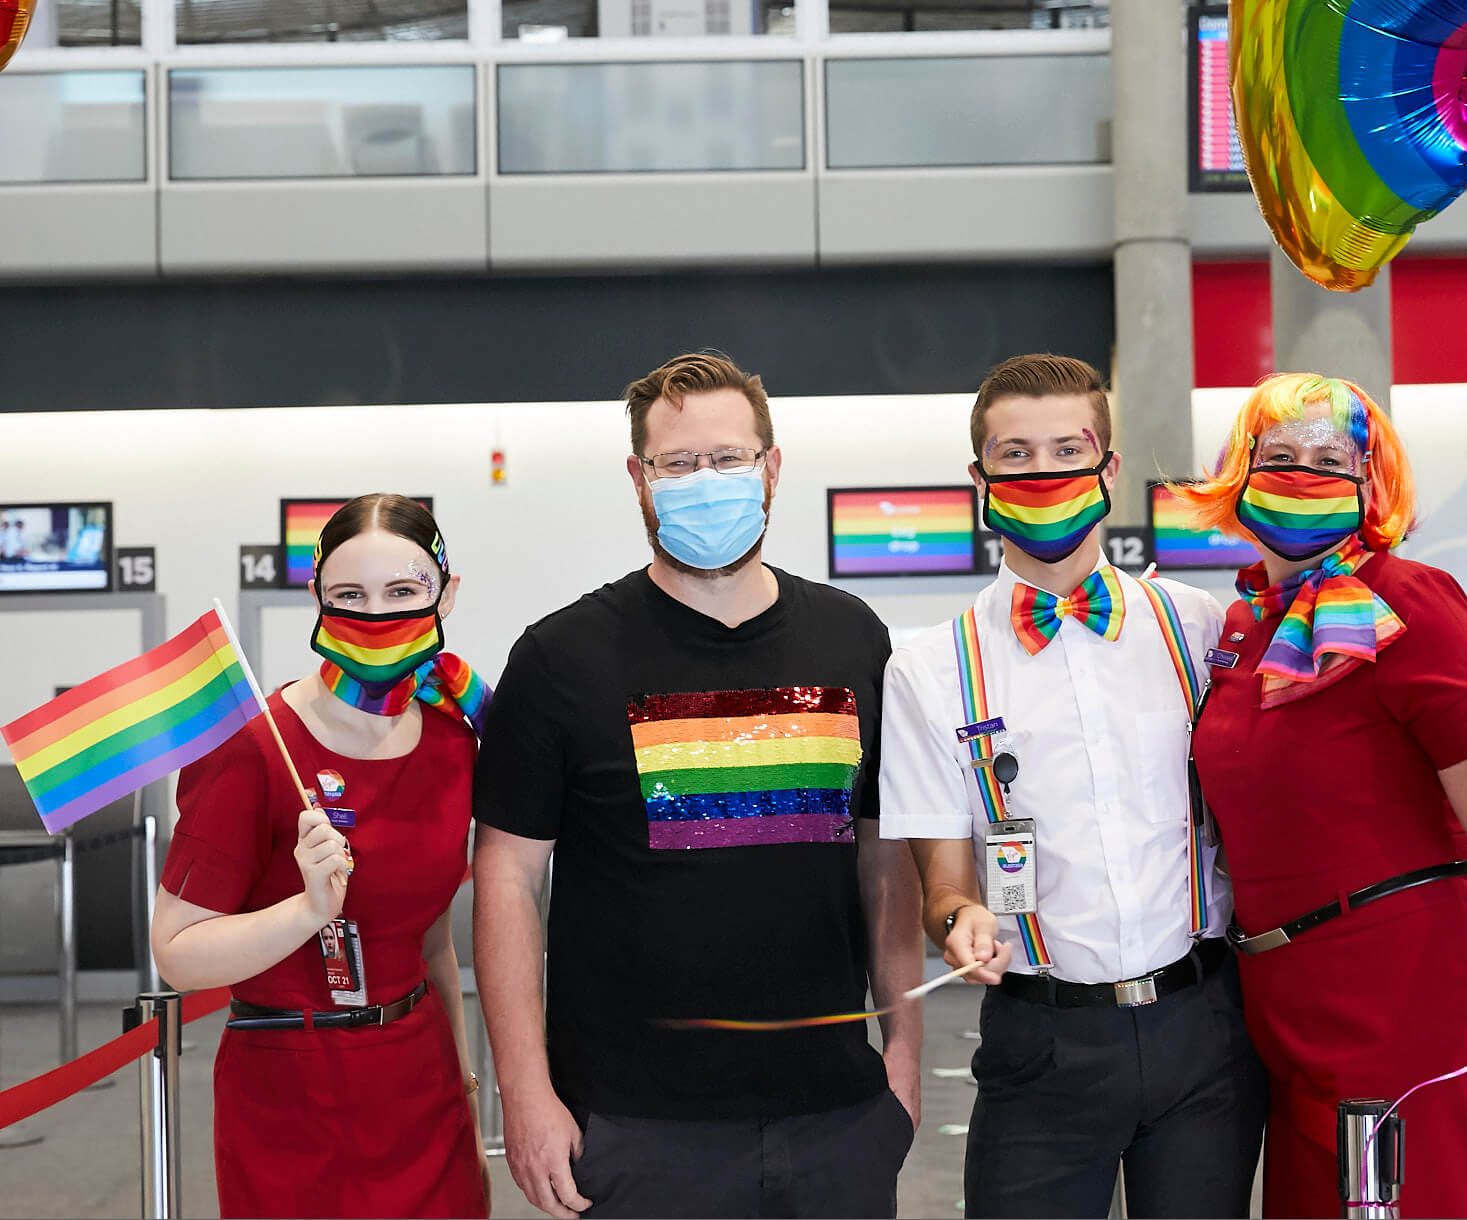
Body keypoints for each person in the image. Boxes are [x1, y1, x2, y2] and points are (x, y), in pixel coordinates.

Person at [471, 351, 922, 1220]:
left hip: (835, 1116)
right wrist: (524, 1093)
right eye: (677, 463)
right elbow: (507, 877)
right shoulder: (560, 658)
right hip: (635, 1127)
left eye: (727, 458)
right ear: (639, 479)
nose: (704, 481)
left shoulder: (852, 638)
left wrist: (903, 1050)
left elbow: (881, 857)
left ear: (772, 468)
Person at [1182, 373, 1467, 1218]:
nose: (1301, 473)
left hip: (1419, 996)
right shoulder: (1240, 626)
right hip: (1284, 1004)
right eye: (1278, 455)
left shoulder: (1410, 598)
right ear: (1239, 472)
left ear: (1370, 482)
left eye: (1329, 460)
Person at [878, 352, 1265, 1219]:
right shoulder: (930, 669)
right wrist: (961, 920)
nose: (1043, 473)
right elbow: (943, 886)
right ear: (980, 479)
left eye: (1067, 450)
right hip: (1040, 1041)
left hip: (1203, 1025)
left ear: (1109, 469)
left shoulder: (1198, 628)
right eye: (1015, 455)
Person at [150, 494, 491, 1219]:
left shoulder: (453, 740)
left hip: (422, 1083)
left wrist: (462, 1082)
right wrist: (306, 911)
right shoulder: (253, 745)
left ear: (446, 594)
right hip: (290, 1095)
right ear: (317, 598)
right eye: (350, 594)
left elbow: (432, 940)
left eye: (402, 591)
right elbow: (177, 953)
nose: (376, 613)